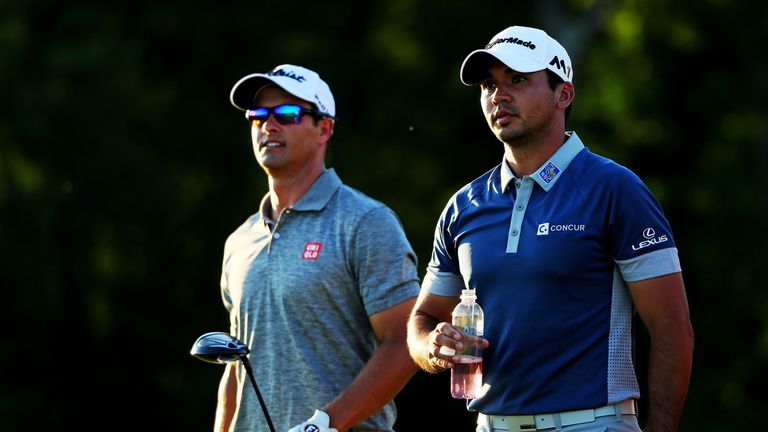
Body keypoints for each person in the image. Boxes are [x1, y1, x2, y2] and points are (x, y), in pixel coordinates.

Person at [406, 26, 694, 432]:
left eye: (518, 80)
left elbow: (671, 326)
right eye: (489, 84)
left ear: (564, 95)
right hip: (491, 425)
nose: (499, 95)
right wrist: (432, 346)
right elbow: (423, 317)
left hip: (593, 423)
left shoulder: (615, 188)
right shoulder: (464, 205)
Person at [215, 64, 420, 432]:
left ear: (324, 128)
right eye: (258, 116)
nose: (269, 125)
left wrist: (326, 423)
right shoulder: (239, 241)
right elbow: (237, 363)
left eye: (288, 114)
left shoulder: (365, 222)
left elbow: (405, 342)